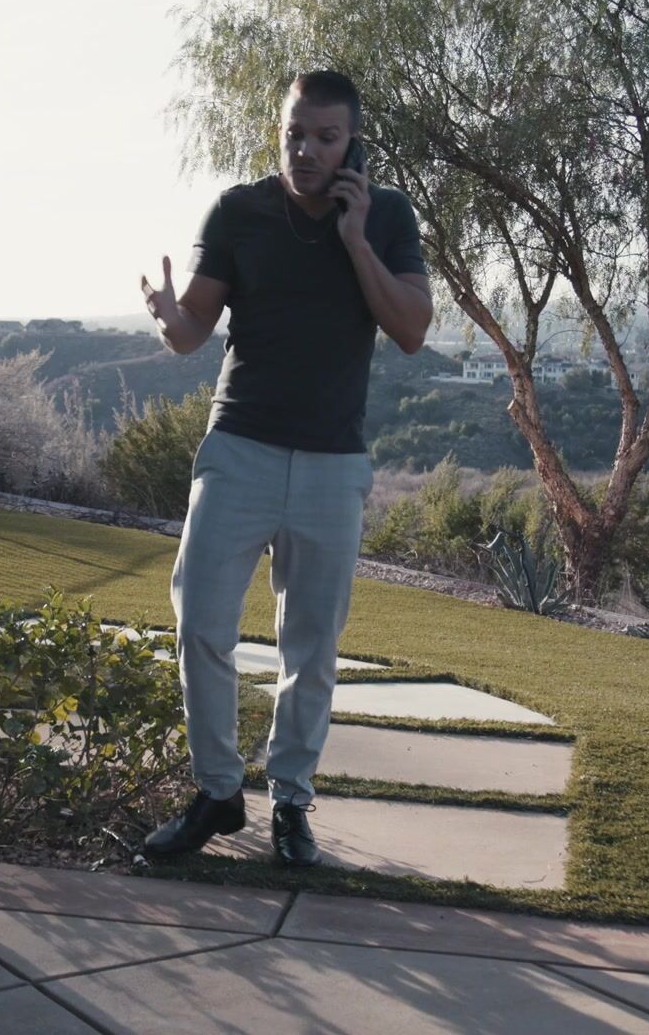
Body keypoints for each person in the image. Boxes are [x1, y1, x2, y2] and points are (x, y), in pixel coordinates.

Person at [135, 70, 433, 868]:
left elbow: (410, 329)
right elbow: (194, 331)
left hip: (334, 463)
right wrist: (169, 317)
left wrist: (356, 240)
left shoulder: (388, 215)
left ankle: (292, 802)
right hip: (239, 448)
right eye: (294, 133)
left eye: (325, 137)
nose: (305, 150)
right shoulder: (239, 211)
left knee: (311, 647)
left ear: (353, 143)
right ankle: (218, 792)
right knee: (200, 620)